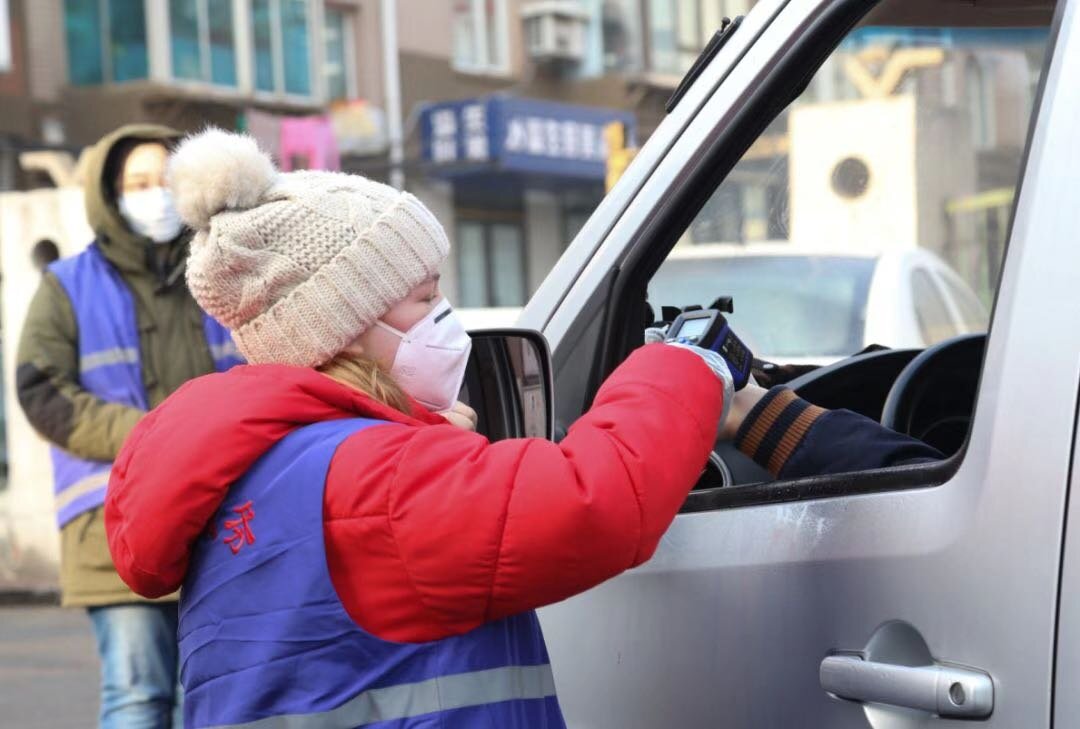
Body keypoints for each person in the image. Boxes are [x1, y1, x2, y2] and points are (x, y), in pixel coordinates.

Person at [104, 129, 735, 729]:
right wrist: (688, 365)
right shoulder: (377, 478)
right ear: (341, 323)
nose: (443, 317)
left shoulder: (259, 468)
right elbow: (595, 501)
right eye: (423, 298)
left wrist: (424, 432)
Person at [16, 124, 244, 728]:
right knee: (139, 697)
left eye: (165, 181)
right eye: (136, 183)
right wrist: (148, 437)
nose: (154, 195)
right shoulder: (67, 287)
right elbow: (40, 390)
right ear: (110, 194)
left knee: (219, 698)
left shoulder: (223, 275)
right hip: (113, 522)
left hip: (226, 521)